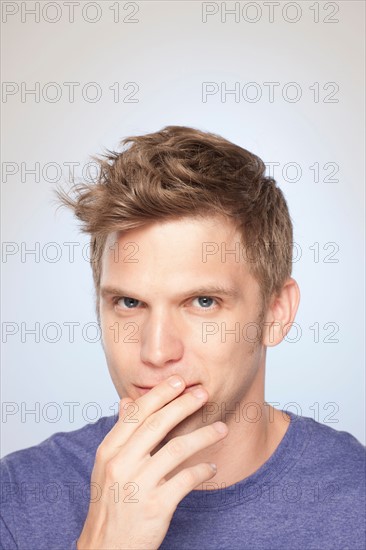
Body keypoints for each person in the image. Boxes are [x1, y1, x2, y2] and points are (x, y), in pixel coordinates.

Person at [1, 126, 364, 550]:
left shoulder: (355, 501)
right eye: (130, 303)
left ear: (275, 312)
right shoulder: (17, 501)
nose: (156, 352)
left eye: (203, 302)